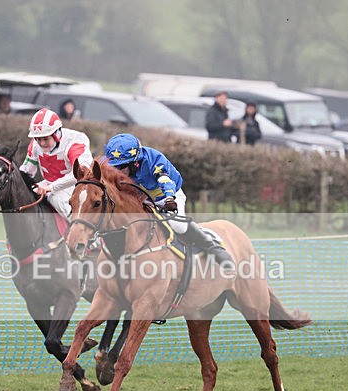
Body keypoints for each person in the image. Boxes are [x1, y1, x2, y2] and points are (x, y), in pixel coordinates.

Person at [103, 133, 234, 270]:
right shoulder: (111, 163)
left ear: (135, 162)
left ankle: (212, 247)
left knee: (178, 226)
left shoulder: (154, 160)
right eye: (115, 166)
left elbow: (165, 181)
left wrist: (170, 199)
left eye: (122, 166)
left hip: (167, 196)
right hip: (143, 200)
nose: (118, 171)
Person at [19, 108, 93, 219]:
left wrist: (50, 187)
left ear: (56, 134)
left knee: (57, 198)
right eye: (38, 139)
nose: (41, 143)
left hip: (78, 185)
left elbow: (80, 175)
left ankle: (84, 234)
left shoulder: (75, 141)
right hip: (50, 183)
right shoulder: (35, 145)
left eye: (45, 139)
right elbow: (26, 172)